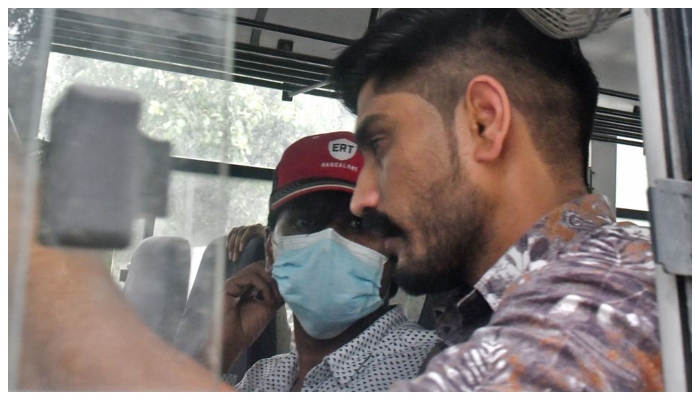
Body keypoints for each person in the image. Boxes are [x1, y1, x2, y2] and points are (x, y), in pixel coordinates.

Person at [329, 9, 662, 391]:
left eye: (380, 144)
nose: (360, 199)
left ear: (483, 124)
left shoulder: (603, 306)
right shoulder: (490, 312)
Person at [216, 131, 439, 391]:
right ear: (270, 249)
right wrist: (219, 351)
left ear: (398, 253)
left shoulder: (438, 368)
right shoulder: (263, 379)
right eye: (305, 222)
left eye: (359, 224)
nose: (329, 244)